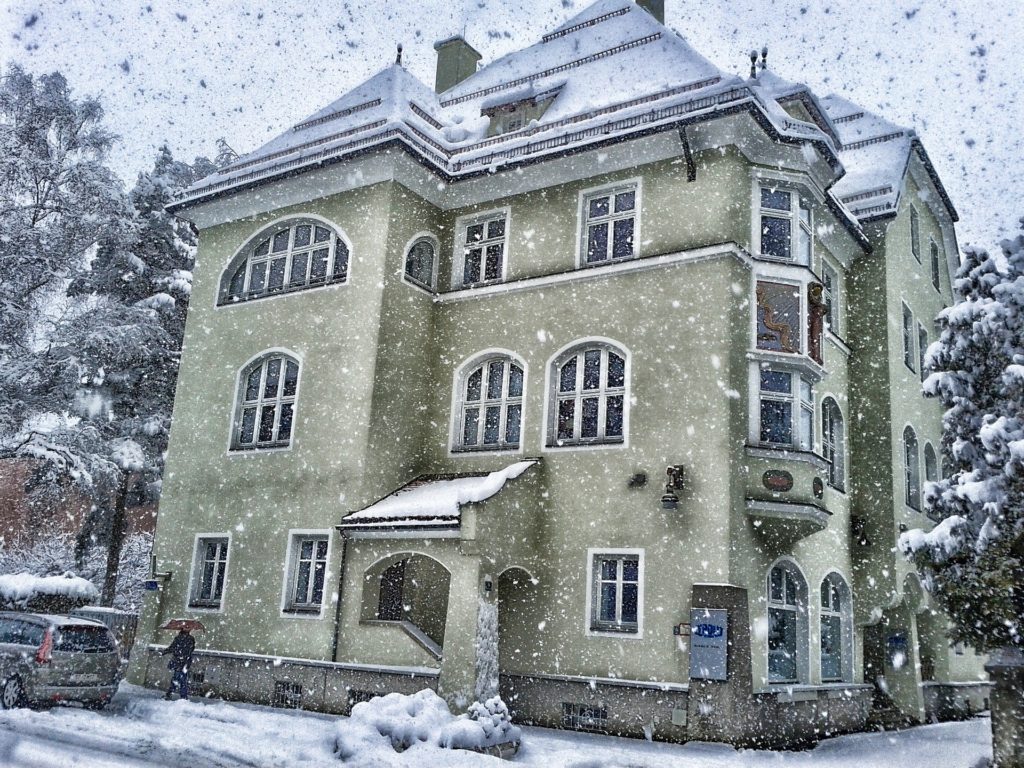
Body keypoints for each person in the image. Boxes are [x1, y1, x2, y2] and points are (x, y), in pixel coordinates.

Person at [161, 628, 195, 700]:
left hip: (180, 661)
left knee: (179, 679)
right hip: (183, 662)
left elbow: (173, 648)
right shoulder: (189, 639)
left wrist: (165, 651)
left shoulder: (182, 638)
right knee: (180, 678)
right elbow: (191, 649)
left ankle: (178, 695)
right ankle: (178, 695)